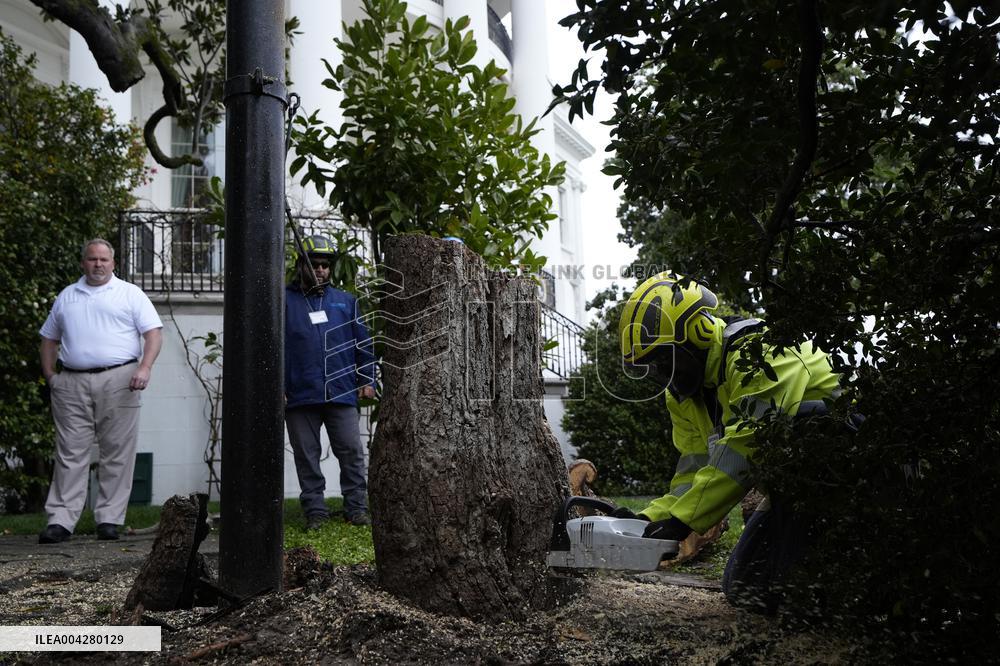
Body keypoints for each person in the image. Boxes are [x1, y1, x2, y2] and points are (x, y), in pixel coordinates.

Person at [617, 271, 840, 612]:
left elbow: (747, 444)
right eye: (653, 367)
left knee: (809, 422)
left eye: (664, 360)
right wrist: (646, 521)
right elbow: (693, 470)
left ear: (698, 333)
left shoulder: (761, 351)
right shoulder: (682, 398)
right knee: (744, 585)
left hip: (850, 468)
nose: (662, 374)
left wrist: (682, 523)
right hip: (792, 496)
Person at [38, 239, 163, 544]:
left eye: (103, 259)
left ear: (113, 263)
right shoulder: (68, 296)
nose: (98, 264)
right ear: (83, 263)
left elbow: (154, 334)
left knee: (117, 452)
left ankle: (109, 519)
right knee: (70, 453)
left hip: (120, 379)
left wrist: (144, 368)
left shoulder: (130, 294)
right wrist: (51, 376)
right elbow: (48, 339)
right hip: (71, 382)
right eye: (92, 259)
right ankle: (61, 520)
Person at [285, 235, 376, 530]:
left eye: (326, 265)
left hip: (342, 390)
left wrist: (367, 379)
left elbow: (364, 344)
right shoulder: (284, 301)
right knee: (306, 456)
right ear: (302, 265)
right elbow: (275, 346)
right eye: (315, 264)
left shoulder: (345, 302)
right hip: (300, 393)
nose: (321, 270)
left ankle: (356, 508)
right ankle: (315, 511)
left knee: (351, 451)